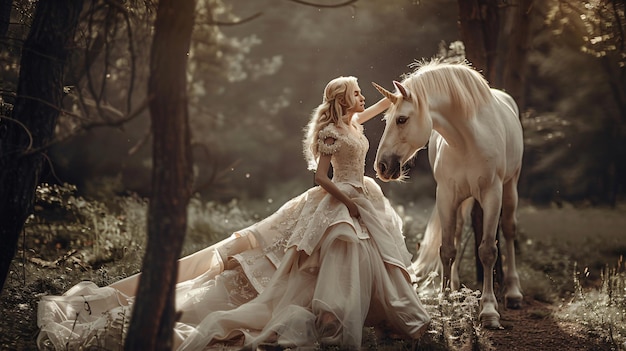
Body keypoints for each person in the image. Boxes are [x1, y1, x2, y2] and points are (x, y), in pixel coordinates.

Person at [37, 76, 430, 351]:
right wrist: (344, 201)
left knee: (366, 251)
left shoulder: (354, 124)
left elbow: (384, 105)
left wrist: (400, 95)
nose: (363, 97)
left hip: (363, 195)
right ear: (344, 100)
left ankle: (358, 313)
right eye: (357, 93)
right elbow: (318, 178)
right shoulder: (332, 133)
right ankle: (330, 317)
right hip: (339, 198)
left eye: (362, 93)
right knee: (321, 254)